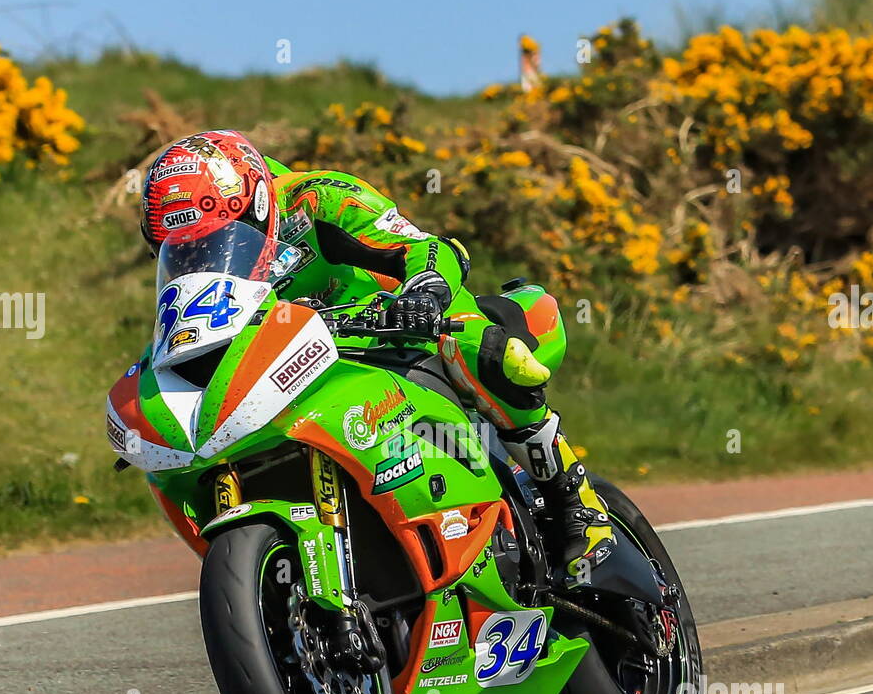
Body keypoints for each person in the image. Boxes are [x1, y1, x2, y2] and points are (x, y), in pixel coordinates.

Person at [137, 129, 615, 582]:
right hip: (301, 357)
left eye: (222, 235)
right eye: (183, 247)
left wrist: (424, 292)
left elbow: (426, 248)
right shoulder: (198, 265)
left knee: (490, 354)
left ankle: (571, 498)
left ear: (258, 203)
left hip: (395, 321)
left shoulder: (318, 197)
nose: (205, 253)